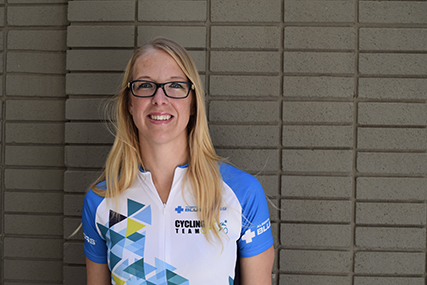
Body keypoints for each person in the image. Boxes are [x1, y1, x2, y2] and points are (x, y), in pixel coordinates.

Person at [82, 37, 274, 285]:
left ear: (193, 102)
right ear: (129, 103)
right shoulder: (101, 200)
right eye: (145, 85)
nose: (160, 99)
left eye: (175, 85)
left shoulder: (241, 193)